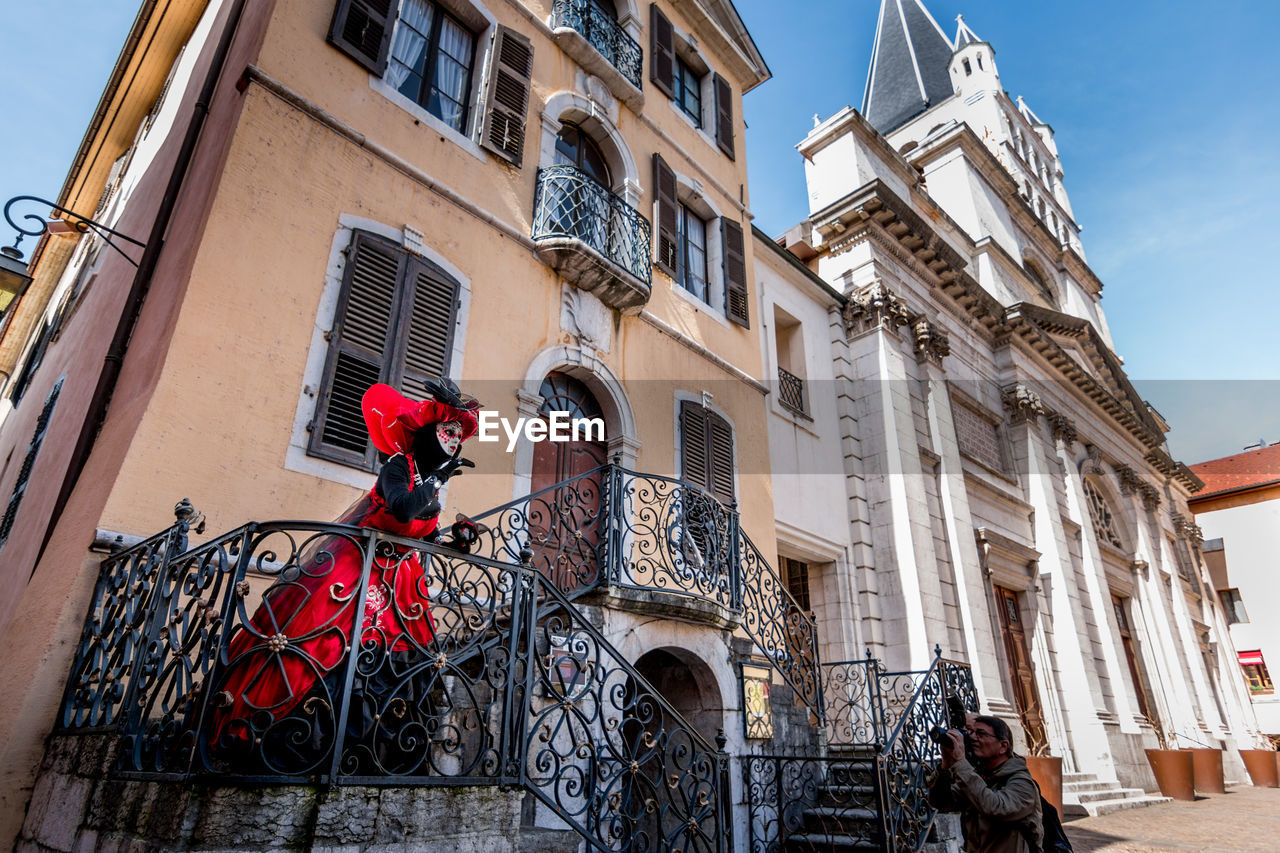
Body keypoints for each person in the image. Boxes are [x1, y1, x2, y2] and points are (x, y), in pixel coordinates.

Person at [206, 380, 481, 768]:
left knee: (397, 656)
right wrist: (440, 479)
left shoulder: (429, 487)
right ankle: (297, 748)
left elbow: (426, 537)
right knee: (329, 642)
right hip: (357, 571)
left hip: (399, 582)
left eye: (458, 436)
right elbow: (401, 510)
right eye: (447, 432)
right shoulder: (398, 466)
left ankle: (368, 757)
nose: (453, 441)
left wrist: (460, 542)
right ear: (426, 433)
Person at [928, 714, 1043, 853]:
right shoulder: (980, 777)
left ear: (1003, 746)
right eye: (972, 732)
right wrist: (945, 767)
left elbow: (995, 808)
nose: (972, 738)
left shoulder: (1022, 782)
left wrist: (960, 763)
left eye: (981, 734)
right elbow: (942, 803)